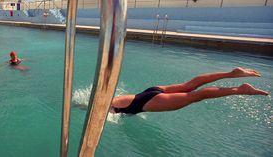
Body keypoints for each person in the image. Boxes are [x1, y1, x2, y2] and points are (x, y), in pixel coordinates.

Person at [110, 67, 269, 115]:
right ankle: (231, 73)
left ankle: (239, 90)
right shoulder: (108, 99)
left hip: (146, 102)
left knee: (197, 96)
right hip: (147, 92)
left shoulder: (103, 110)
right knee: (190, 85)